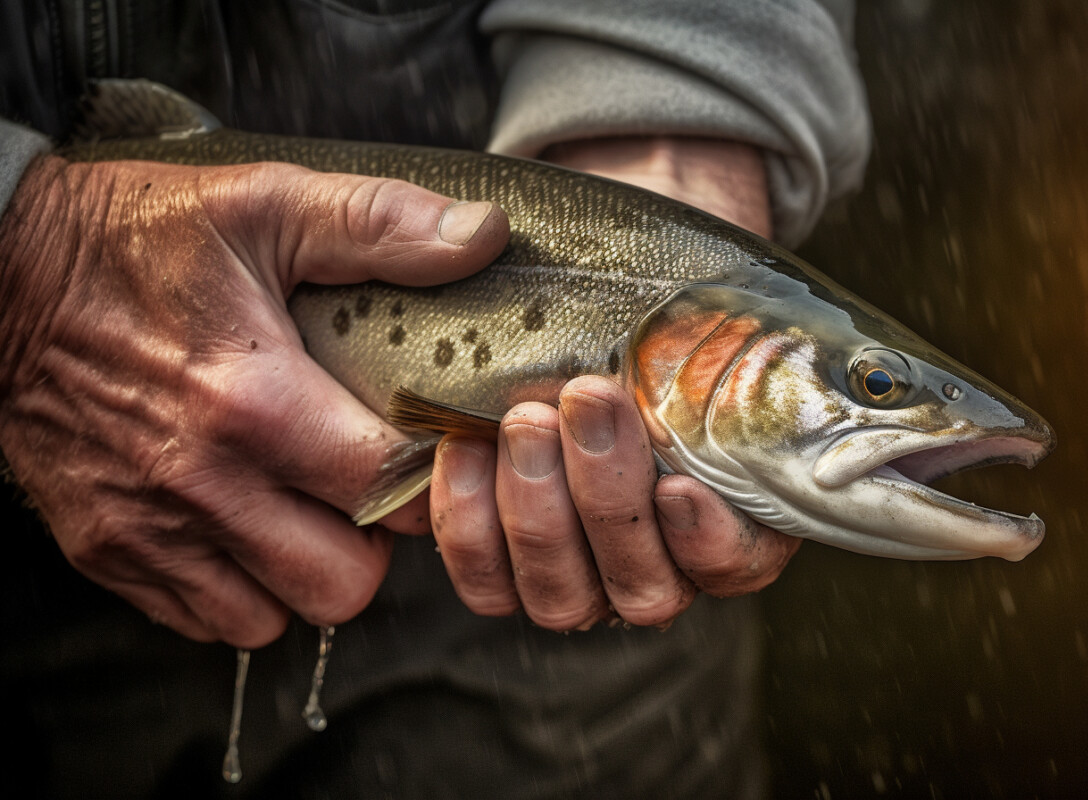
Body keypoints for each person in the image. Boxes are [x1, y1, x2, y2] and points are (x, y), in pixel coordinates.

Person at [0, 1, 870, 797]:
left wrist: (677, 94)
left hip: (533, 584)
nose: (875, 399)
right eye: (872, 385)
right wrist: (29, 263)